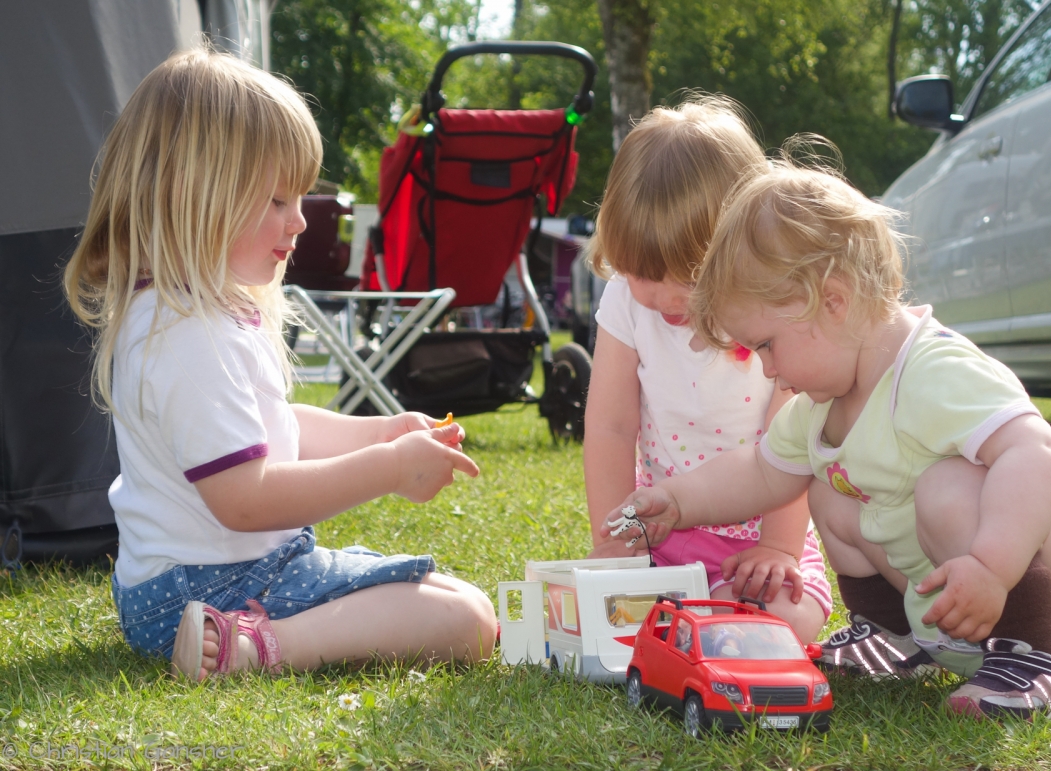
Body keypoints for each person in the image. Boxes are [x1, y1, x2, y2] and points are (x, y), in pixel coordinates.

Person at [608, 158, 1051, 718]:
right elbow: (760, 472)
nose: (764, 370)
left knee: (945, 486)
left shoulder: (932, 369)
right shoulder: (821, 404)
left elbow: (1034, 452)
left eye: (766, 345)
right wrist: (679, 501)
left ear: (832, 301)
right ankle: (894, 634)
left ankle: (1037, 663)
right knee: (826, 490)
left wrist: (991, 565)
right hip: (959, 597)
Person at [62, 49, 495, 682]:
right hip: (213, 587)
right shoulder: (191, 336)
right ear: (193, 193)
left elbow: (268, 427)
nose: (298, 220)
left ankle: (241, 636)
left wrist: (380, 432)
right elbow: (243, 499)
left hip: (176, 589)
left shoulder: (186, 314)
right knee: (467, 620)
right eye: (274, 199)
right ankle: (251, 648)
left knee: (456, 604)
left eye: (299, 197)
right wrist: (388, 469)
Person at [583, 99, 831, 644]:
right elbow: (610, 427)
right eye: (644, 273)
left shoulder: (770, 312)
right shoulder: (626, 302)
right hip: (660, 532)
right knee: (611, 617)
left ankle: (716, 613)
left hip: (757, 536)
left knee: (786, 622)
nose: (666, 296)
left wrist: (779, 548)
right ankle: (693, 614)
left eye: (691, 277)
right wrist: (617, 542)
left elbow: (792, 437)